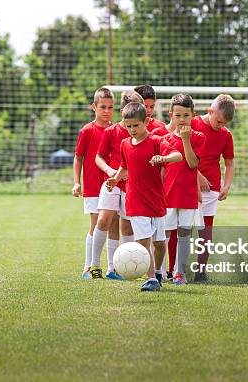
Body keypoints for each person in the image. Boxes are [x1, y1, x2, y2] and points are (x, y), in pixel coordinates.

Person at [106, 102, 182, 292]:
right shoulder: (124, 144)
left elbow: (178, 155)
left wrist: (162, 158)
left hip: (156, 200)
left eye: (135, 125)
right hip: (135, 200)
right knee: (143, 240)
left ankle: (157, 272)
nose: (131, 130)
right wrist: (115, 179)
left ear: (146, 121)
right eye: (128, 126)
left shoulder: (156, 141)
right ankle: (150, 279)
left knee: (159, 243)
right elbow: (124, 166)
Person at [91, 90, 144, 279]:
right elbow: (99, 157)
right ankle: (94, 266)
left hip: (131, 186)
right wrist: (110, 171)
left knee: (127, 228)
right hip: (111, 184)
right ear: (123, 111)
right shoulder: (111, 131)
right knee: (104, 219)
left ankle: (117, 269)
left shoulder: (141, 133)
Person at [191, 94, 236, 283]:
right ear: (210, 111)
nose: (220, 125)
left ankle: (201, 273)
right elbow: (182, 152)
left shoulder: (225, 135)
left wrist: (226, 185)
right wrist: (196, 175)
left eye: (224, 123)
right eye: (218, 121)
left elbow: (229, 162)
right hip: (187, 185)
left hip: (211, 190)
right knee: (180, 229)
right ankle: (173, 271)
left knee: (206, 231)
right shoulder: (192, 124)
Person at [161, 94, 205, 285]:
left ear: (193, 115)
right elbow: (162, 171)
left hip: (188, 196)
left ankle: (179, 272)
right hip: (167, 196)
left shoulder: (199, 138)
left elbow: (193, 163)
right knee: (164, 235)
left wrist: (186, 140)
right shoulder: (163, 140)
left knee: (184, 234)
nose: (181, 119)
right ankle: (160, 272)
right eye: (177, 115)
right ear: (171, 115)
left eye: (186, 115)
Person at [72, 88, 114, 279]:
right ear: (94, 107)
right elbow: (78, 158)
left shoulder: (117, 130)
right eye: (102, 107)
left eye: (110, 107)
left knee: (113, 225)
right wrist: (76, 182)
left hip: (112, 185)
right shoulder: (87, 131)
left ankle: (113, 268)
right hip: (92, 185)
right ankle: (88, 267)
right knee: (96, 224)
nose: (106, 111)